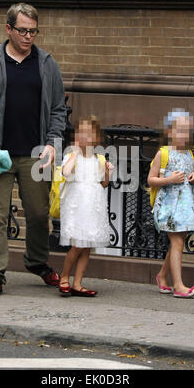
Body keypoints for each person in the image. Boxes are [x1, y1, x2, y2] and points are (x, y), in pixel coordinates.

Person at [0, 3, 67, 299]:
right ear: (8, 29)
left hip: (35, 154)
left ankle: (37, 262)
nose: (28, 36)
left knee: (38, 213)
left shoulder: (46, 64)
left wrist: (52, 142)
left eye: (33, 31)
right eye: (22, 30)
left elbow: (59, 109)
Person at [147, 109, 194, 299]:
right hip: (169, 208)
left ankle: (162, 276)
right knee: (177, 242)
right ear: (169, 132)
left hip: (186, 207)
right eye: (179, 130)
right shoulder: (163, 153)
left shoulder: (191, 154)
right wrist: (169, 180)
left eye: (186, 131)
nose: (183, 135)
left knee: (178, 243)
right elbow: (151, 180)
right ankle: (179, 286)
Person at [58, 116, 114, 297]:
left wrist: (108, 171)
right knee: (77, 245)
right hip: (77, 205)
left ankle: (78, 283)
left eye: (88, 133)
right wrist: (74, 153)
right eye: (80, 132)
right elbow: (66, 174)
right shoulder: (71, 156)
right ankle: (64, 277)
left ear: (96, 138)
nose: (83, 136)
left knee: (87, 246)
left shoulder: (98, 158)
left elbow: (103, 183)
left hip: (93, 206)